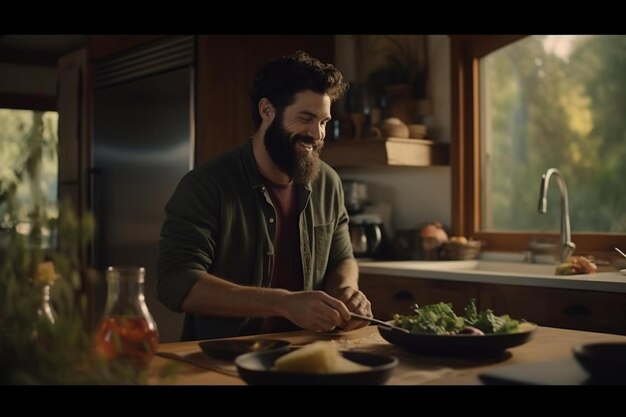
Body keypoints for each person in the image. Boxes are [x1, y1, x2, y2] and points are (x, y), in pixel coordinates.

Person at [157, 51, 373, 341]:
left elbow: (341, 258)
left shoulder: (328, 183)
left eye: (323, 122)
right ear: (267, 111)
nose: (318, 134)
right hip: (226, 357)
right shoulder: (206, 185)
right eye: (306, 118)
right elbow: (176, 281)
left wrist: (347, 291)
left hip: (309, 353)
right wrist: (282, 303)